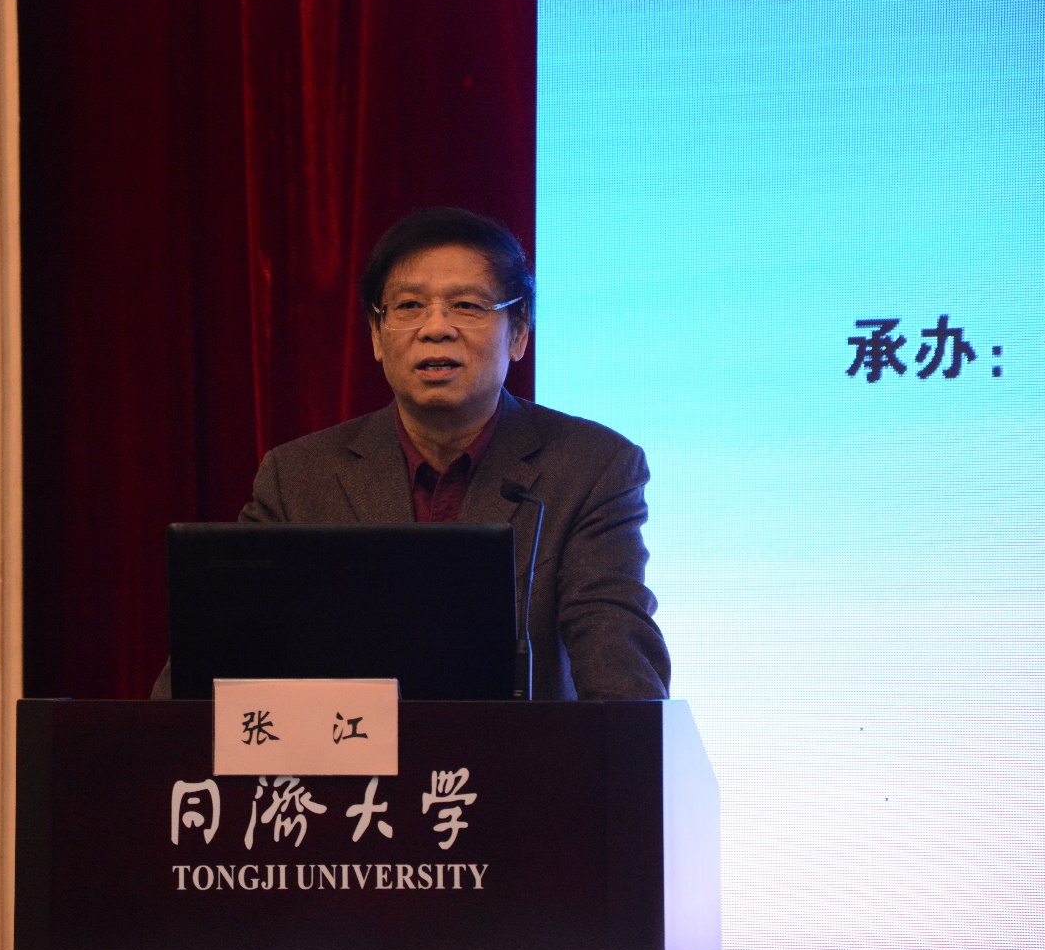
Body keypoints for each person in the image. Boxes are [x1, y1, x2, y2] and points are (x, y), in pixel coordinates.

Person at [154, 207, 668, 702]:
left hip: (519, 761)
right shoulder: (299, 477)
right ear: (377, 336)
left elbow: (620, 672)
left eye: (467, 305)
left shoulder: (591, 469)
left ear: (519, 333)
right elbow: (206, 667)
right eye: (408, 307)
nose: (435, 327)